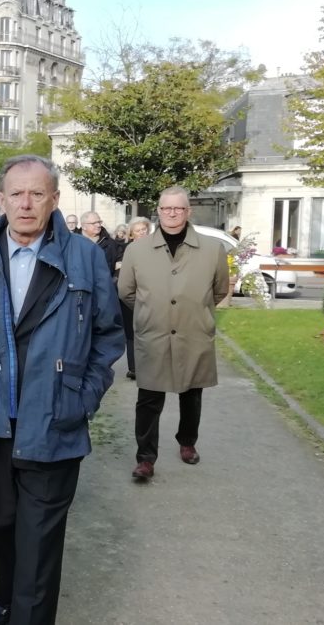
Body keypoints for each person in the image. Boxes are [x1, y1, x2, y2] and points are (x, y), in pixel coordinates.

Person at [0, 155, 123, 625]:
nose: (25, 204)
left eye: (37, 193)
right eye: (16, 194)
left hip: (53, 427)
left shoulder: (84, 257)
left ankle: (22, 611)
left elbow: (109, 334)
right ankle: (6, 594)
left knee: (39, 552)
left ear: (54, 200)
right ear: (1, 200)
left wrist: (83, 395)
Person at [119, 187, 228, 482]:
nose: (172, 213)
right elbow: (126, 292)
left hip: (194, 333)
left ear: (188, 211)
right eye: (166, 208)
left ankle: (187, 441)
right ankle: (145, 459)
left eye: (178, 209)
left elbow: (218, 289)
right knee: (149, 399)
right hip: (153, 334)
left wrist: (194, 311)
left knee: (192, 393)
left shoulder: (211, 249)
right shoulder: (136, 250)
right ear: (158, 210)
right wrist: (152, 311)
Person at [118, 218, 152, 380]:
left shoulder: (155, 248)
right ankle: (134, 368)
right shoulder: (127, 249)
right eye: (138, 231)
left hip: (150, 297)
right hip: (130, 296)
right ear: (131, 234)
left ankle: (148, 366)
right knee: (132, 334)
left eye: (144, 230)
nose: (142, 233)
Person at [80, 211, 119, 276]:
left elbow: (120, 265)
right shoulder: (72, 243)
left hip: (104, 284)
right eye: (94, 223)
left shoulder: (111, 243)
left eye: (99, 222)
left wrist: (113, 281)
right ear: (84, 226)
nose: (98, 225)